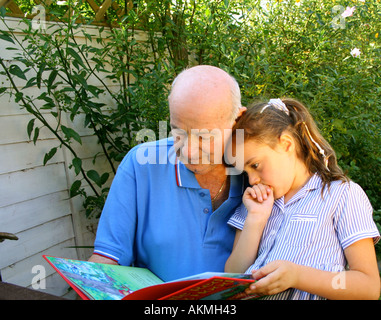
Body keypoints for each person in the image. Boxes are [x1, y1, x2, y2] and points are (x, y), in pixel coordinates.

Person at [88, 65, 247, 281]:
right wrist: (93, 283)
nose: (188, 151)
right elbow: (108, 257)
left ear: (238, 120)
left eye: (204, 136)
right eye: (178, 132)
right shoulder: (140, 164)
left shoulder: (259, 170)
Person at [225, 98, 380, 300]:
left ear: (286, 144)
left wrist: (297, 276)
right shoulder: (254, 203)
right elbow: (231, 277)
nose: (252, 180)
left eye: (255, 165)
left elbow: (368, 287)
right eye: (245, 173)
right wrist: (255, 219)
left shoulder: (341, 195)